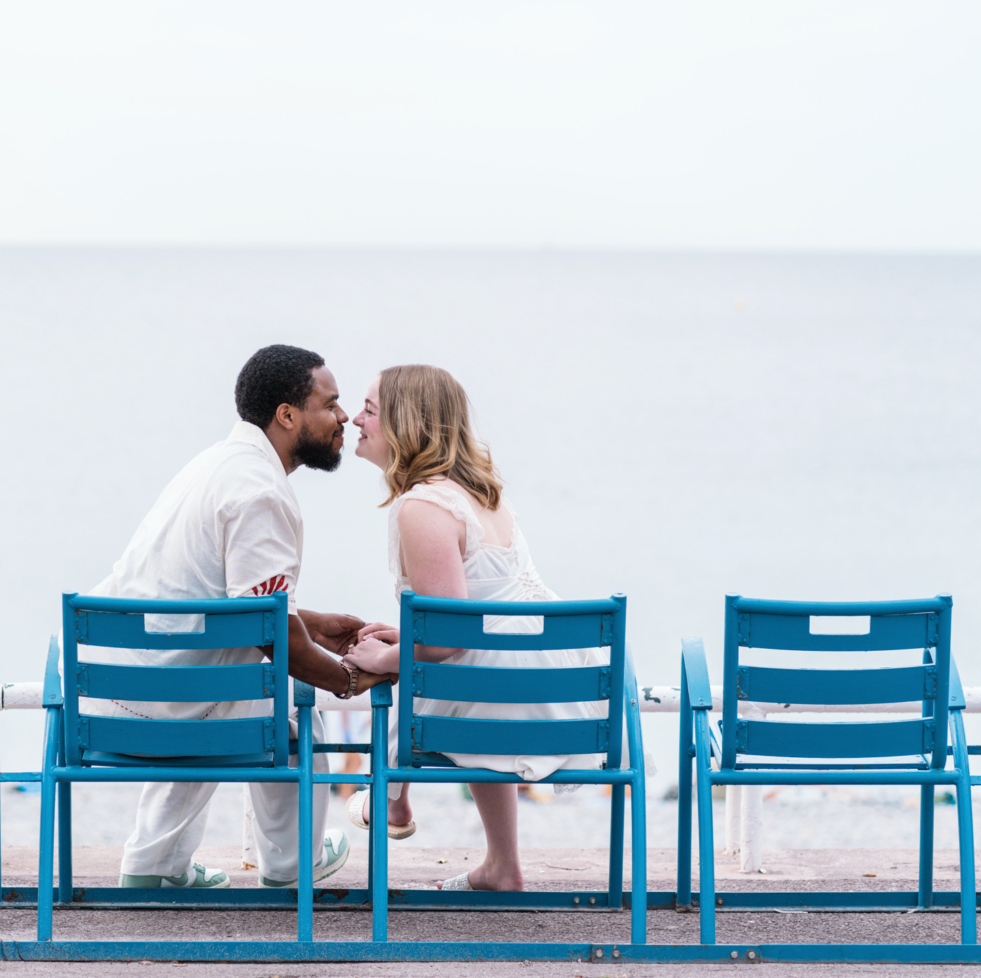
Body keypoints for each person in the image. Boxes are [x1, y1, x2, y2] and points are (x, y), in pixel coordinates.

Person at [79, 344, 393, 891]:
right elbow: (269, 633)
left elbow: (234, 604)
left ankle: (153, 868)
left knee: (228, 680)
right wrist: (347, 680)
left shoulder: (216, 463)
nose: (343, 417)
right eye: (331, 403)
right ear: (288, 415)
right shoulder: (260, 493)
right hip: (168, 695)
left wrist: (312, 625)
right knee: (290, 712)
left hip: (110, 682)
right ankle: (294, 863)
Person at [342, 364, 607, 892]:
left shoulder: (421, 505)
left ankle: (391, 795)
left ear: (406, 422)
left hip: (502, 698)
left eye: (369, 410)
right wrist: (407, 635)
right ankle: (500, 866)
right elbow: (485, 609)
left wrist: (383, 659)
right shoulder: (483, 493)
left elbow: (447, 640)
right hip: (557, 687)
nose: (354, 419)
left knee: (405, 677)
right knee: (457, 673)